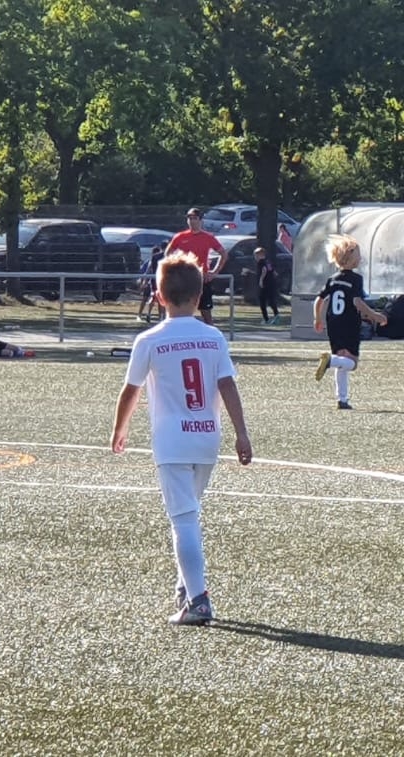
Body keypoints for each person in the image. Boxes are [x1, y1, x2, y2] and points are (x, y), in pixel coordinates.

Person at [109, 252, 253, 625]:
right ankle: (186, 587)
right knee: (189, 513)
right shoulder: (213, 336)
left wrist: (120, 428)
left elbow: (131, 390)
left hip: (172, 441)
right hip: (207, 438)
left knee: (183, 520)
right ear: (199, 294)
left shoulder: (149, 339)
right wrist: (241, 433)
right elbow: (228, 385)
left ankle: (199, 601)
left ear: (159, 296)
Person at [313, 235, 388, 410]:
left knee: (342, 360)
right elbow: (357, 302)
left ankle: (342, 399)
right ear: (351, 258)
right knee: (352, 363)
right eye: (358, 255)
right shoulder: (356, 279)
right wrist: (374, 315)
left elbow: (319, 300)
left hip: (333, 323)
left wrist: (317, 318)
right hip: (349, 323)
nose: (360, 258)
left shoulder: (332, 279)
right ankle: (330, 361)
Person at [164, 208, 227, 325]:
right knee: (182, 312)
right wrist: (175, 271)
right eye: (190, 218)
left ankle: (210, 334)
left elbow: (223, 253)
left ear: (201, 220)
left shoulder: (208, 237)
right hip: (185, 279)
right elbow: (168, 254)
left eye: (195, 218)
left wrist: (214, 272)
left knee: (206, 313)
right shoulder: (180, 237)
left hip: (202, 279)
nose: (192, 221)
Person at [137, 243, 165, 323]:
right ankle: (142, 314)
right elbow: (146, 272)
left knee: (156, 299)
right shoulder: (151, 261)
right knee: (148, 298)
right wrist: (143, 282)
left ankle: (158, 316)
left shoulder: (156, 260)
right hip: (151, 282)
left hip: (153, 282)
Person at [255, 246, 281, 324]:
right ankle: (276, 315)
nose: (255, 257)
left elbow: (264, 270)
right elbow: (274, 272)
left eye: (256, 255)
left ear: (260, 254)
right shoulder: (267, 262)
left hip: (265, 284)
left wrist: (261, 280)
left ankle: (266, 319)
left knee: (262, 301)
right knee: (271, 300)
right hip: (271, 284)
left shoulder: (260, 262)